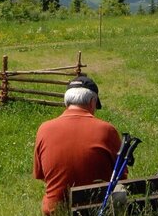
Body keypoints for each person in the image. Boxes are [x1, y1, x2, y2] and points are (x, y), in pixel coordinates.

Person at [33, 75, 123, 215]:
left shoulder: (44, 129)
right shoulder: (107, 130)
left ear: (66, 101)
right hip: (96, 210)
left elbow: (42, 175)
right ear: (92, 102)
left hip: (57, 211)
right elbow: (121, 176)